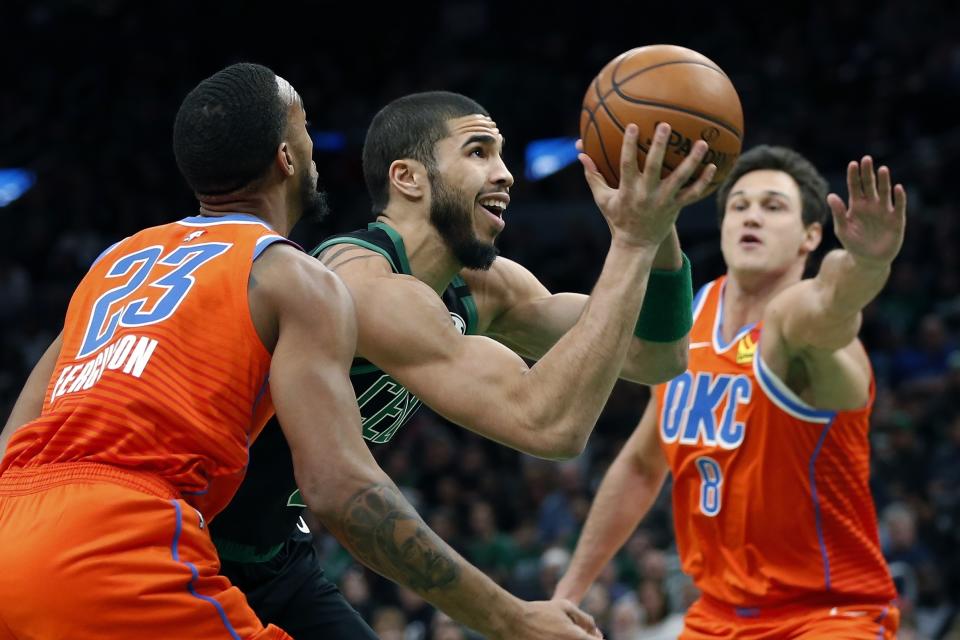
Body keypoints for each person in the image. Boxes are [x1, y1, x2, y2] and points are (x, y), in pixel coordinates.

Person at [0, 67, 599, 640]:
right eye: (305, 129)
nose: (312, 144)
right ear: (288, 158)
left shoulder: (117, 262)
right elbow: (342, 493)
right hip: (118, 546)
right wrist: (512, 620)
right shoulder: (296, 277)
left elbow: (15, 439)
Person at [210, 90, 718, 637]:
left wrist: (660, 219)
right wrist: (633, 243)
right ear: (409, 178)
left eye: (501, 154)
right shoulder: (358, 281)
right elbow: (547, 424)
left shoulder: (487, 287)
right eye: (479, 152)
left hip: (279, 554)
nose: (506, 174)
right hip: (201, 542)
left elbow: (655, 356)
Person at [554, 145, 907, 639]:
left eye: (773, 206)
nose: (752, 217)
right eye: (739, 205)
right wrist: (568, 592)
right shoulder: (689, 323)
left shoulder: (795, 320)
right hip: (717, 617)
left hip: (828, 616)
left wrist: (867, 265)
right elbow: (640, 465)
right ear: (721, 227)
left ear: (811, 236)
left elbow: (832, 301)